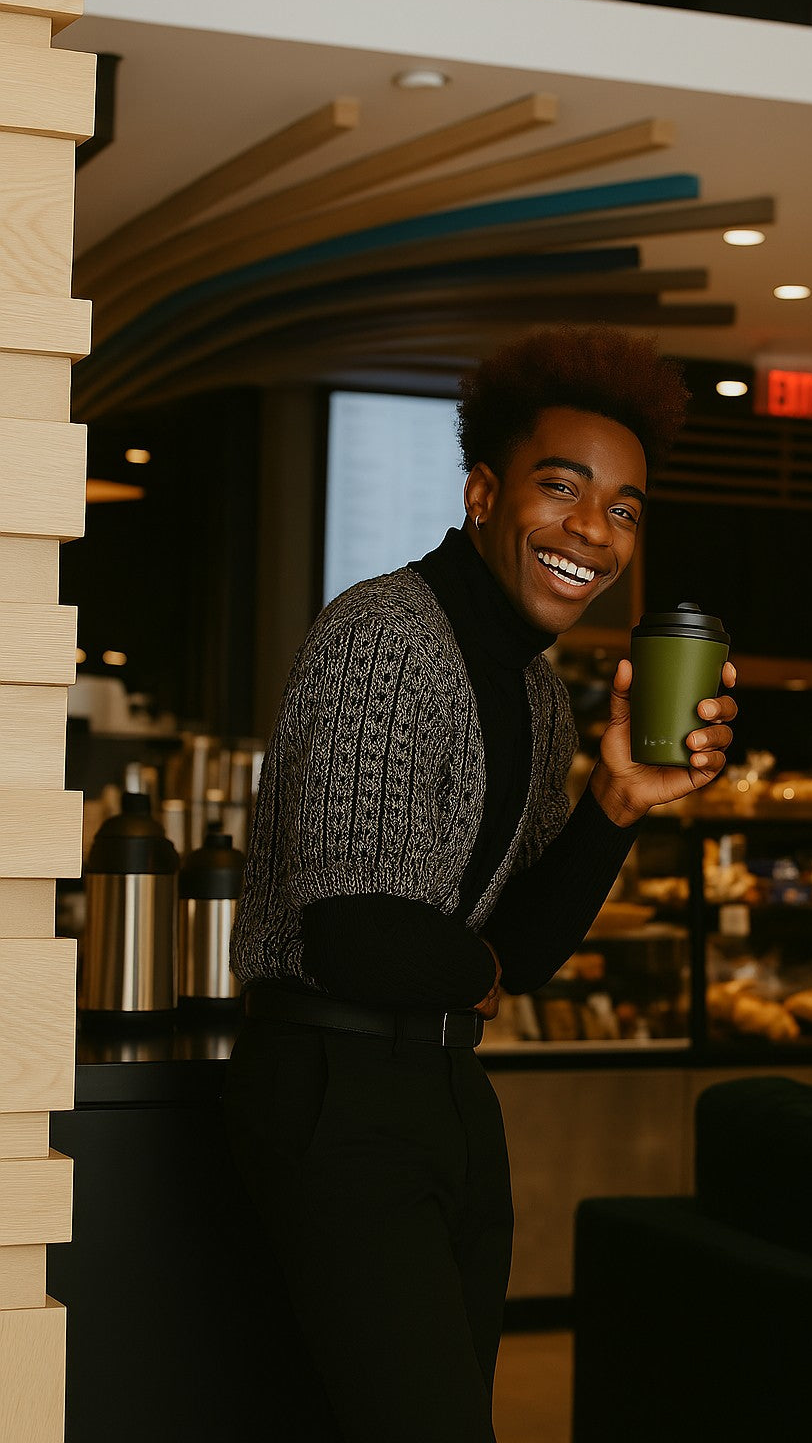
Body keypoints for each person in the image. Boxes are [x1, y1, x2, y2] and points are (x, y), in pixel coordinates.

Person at [224, 326, 738, 1442]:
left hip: (448, 1096)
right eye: (562, 490)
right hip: (335, 1088)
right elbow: (358, 936)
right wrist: (482, 968)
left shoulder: (538, 691)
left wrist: (615, 800)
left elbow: (527, 949)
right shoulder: (383, 633)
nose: (592, 533)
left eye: (623, 509)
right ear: (482, 492)